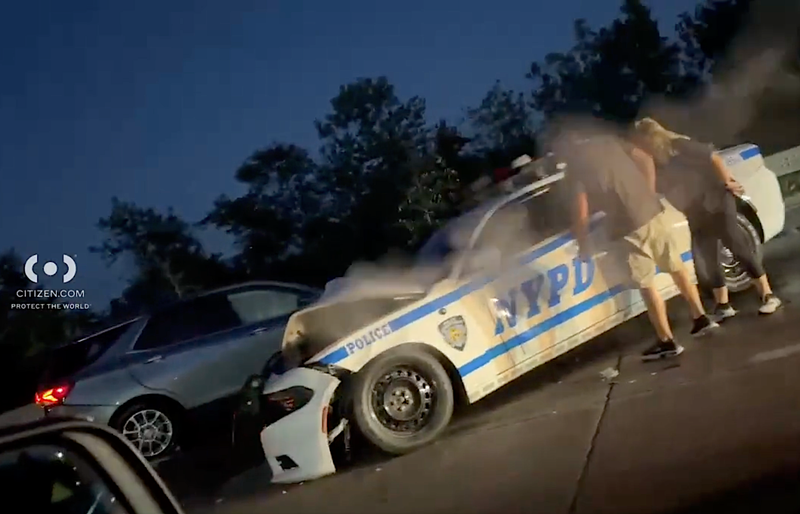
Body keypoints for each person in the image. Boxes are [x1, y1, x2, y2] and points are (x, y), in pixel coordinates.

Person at [555, 117, 718, 361]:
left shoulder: (575, 168)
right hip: (651, 211)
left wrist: (583, 243)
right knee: (675, 266)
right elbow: (645, 157)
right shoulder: (610, 142)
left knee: (646, 283)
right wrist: (647, 191)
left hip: (627, 227)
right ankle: (701, 317)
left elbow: (581, 210)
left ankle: (667, 340)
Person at [629, 118, 782, 319]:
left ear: (651, 137)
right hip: (695, 209)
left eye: (641, 141)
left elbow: (713, 157)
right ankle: (723, 305)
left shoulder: (679, 145)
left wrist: (727, 181)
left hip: (716, 199)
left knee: (735, 244)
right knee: (707, 255)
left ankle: (767, 295)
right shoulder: (655, 162)